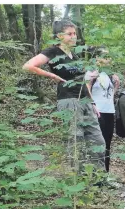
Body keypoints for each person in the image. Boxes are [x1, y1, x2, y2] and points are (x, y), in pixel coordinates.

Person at [23, 20, 106, 172]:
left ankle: (99, 177)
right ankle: (78, 179)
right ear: (59, 36)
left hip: (85, 100)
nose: (74, 37)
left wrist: (92, 102)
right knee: (76, 141)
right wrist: (51, 75)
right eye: (69, 34)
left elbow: (82, 81)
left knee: (97, 141)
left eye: (75, 33)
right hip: (69, 101)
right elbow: (28, 65)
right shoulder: (53, 52)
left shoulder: (74, 55)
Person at [86, 46, 120, 172]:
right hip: (97, 112)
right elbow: (86, 88)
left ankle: (105, 173)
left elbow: (109, 95)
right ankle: (95, 173)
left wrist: (116, 85)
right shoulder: (92, 72)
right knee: (97, 144)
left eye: (108, 56)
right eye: (105, 56)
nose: (108, 59)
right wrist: (92, 104)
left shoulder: (109, 74)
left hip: (109, 112)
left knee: (107, 144)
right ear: (97, 58)